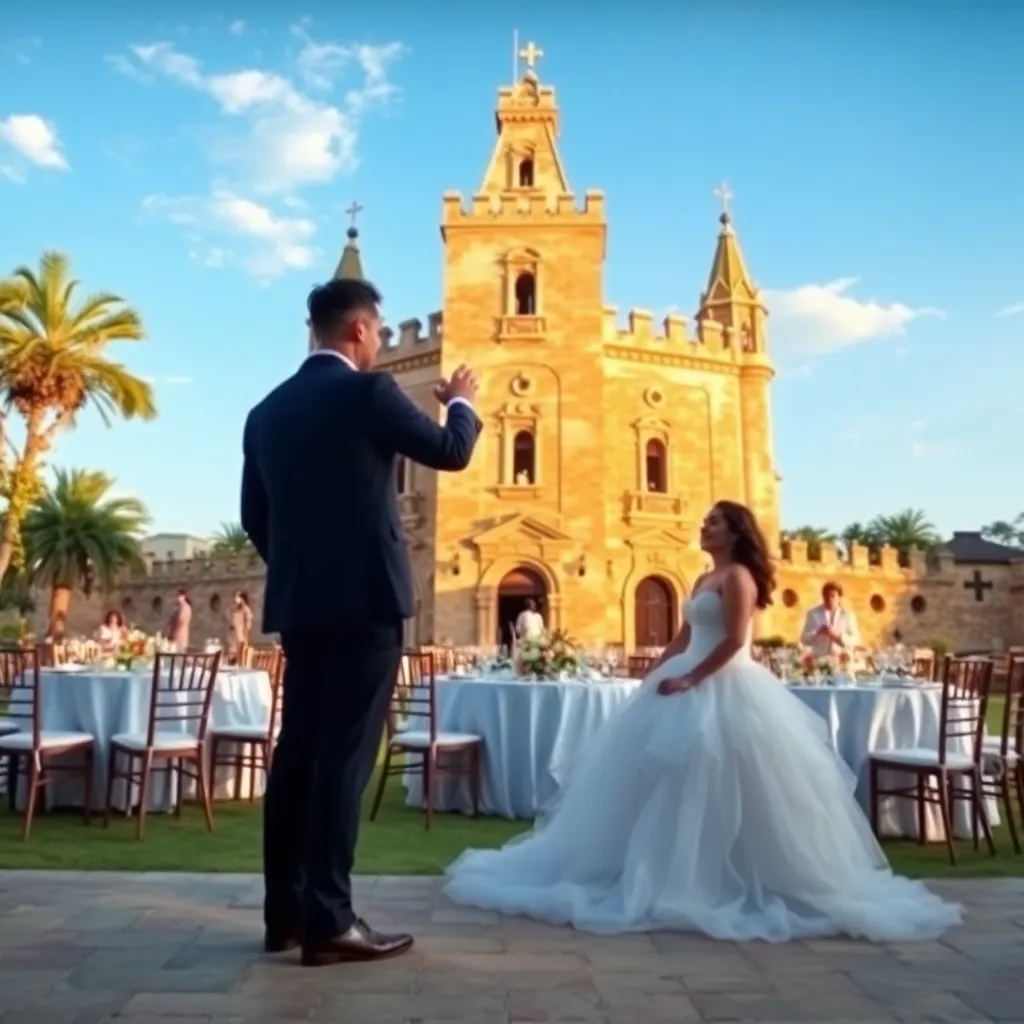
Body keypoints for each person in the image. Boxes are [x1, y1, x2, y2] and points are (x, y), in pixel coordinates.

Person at [444, 501, 962, 942]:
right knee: (659, 779)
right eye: (706, 521)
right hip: (683, 676)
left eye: (714, 522)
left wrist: (692, 678)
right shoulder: (701, 577)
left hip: (727, 684)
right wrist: (658, 668)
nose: (704, 527)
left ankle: (722, 877)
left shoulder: (738, 577)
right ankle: (658, 871)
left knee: (724, 778)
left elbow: (736, 641)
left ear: (735, 532)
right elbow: (685, 634)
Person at [241, 277, 481, 967]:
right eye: (376, 331)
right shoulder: (369, 393)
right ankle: (331, 919)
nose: (378, 341)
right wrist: (461, 403)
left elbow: (259, 517)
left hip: (301, 607)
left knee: (297, 758)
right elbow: (450, 452)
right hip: (368, 606)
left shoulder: (266, 412)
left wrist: (304, 571)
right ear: (357, 330)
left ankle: (283, 913)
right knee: (344, 760)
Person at [800, 581, 861, 658]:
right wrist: (817, 632)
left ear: (839, 597)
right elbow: (804, 639)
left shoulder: (847, 615)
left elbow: (856, 640)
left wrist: (838, 637)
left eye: (833, 596)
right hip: (820, 661)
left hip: (842, 660)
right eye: (826, 596)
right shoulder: (813, 613)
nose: (829, 599)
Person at [228, 590, 254, 663]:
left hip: (241, 638)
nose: (236, 598)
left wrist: (244, 634)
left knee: (240, 658)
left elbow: (248, 624)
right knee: (232, 657)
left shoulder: (246, 609)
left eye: (238, 597)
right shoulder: (234, 609)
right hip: (233, 638)